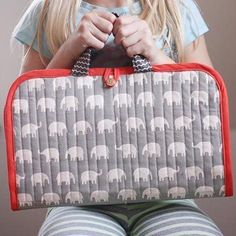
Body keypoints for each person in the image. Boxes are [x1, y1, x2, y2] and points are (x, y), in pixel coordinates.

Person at [12, 0, 223, 235]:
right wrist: (69, 50)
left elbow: (205, 105)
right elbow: (27, 111)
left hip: (170, 199)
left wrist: (154, 53)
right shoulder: (47, 9)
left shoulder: (176, 6)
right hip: (76, 203)